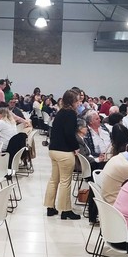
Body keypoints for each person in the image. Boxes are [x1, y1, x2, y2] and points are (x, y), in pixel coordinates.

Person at [44, 89, 81, 220]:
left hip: (53, 150)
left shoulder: (60, 112)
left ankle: (50, 207)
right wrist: (76, 147)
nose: (79, 102)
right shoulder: (70, 114)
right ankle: (65, 210)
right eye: (77, 100)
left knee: (54, 179)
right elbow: (69, 134)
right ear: (72, 101)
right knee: (66, 181)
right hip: (64, 152)